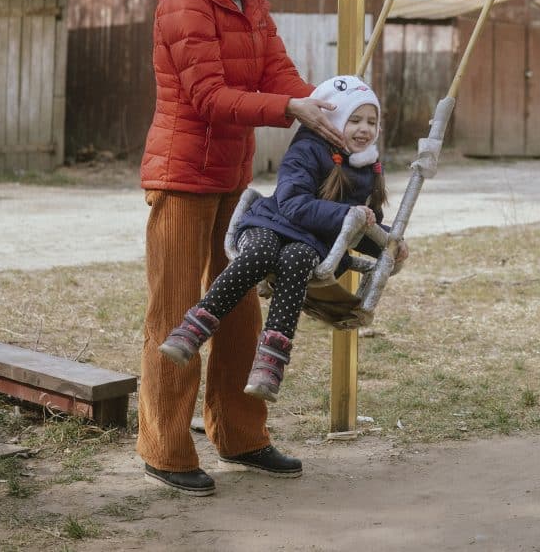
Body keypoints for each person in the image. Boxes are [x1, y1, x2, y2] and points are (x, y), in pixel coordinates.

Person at [138, 0, 346, 497]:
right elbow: (206, 98)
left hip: (231, 177)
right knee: (175, 313)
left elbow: (278, 71)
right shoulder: (185, 1)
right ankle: (166, 449)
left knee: (239, 309)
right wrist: (290, 109)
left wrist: (327, 108)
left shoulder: (249, 0)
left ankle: (240, 435)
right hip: (181, 176)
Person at [158, 74, 408, 402]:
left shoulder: (367, 168)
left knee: (297, 259)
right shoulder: (306, 150)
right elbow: (292, 204)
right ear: (334, 121)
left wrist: (385, 243)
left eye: (371, 122)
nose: (364, 129)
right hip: (273, 223)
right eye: (355, 120)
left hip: (312, 244)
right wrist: (347, 216)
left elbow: (357, 227)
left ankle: (270, 362)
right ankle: (195, 327)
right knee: (260, 254)